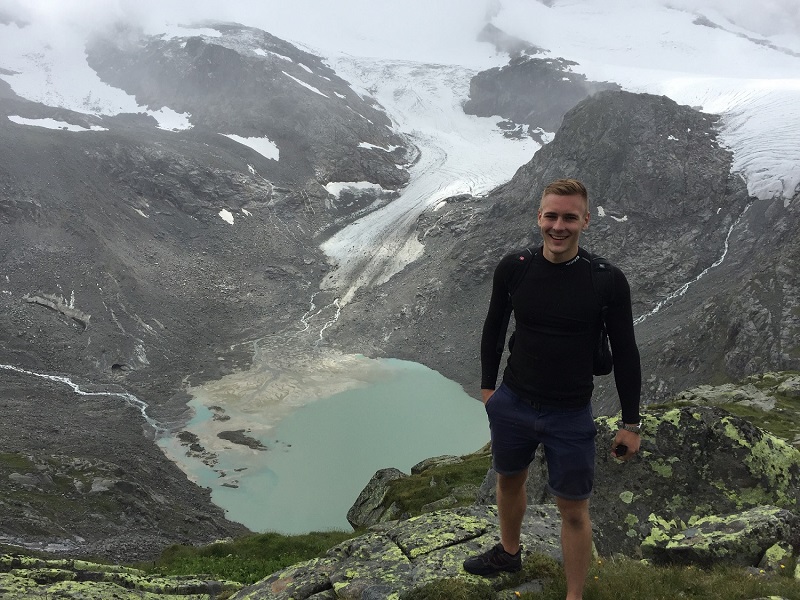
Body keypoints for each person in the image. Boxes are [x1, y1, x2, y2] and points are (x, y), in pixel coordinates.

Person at [463, 178, 642, 600]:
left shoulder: (606, 281)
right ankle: (509, 552)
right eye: (551, 216)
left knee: (574, 510)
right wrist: (489, 391)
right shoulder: (516, 267)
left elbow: (626, 351)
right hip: (514, 401)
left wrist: (631, 422)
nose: (558, 226)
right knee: (508, 481)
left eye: (568, 217)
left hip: (570, 413)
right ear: (538, 217)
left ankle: (574, 596)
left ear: (585, 220)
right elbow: (493, 328)